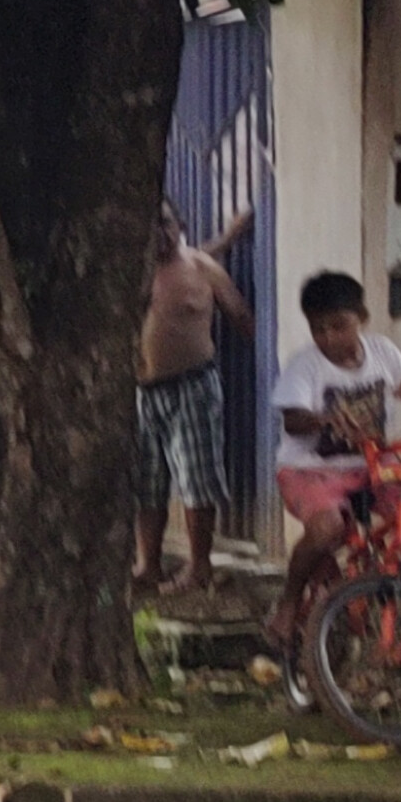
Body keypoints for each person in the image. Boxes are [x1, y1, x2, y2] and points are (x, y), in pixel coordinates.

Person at [267, 269, 401, 658]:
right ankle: (288, 602)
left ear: (362, 317)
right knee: (326, 529)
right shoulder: (305, 365)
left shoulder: (384, 353)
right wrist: (324, 420)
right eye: (318, 329)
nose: (328, 338)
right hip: (309, 471)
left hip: (372, 467)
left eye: (339, 326)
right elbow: (292, 419)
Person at [133, 199, 253, 599]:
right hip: (140, 393)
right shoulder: (127, 274)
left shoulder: (200, 266)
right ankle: (147, 565)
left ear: (178, 224)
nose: (159, 233)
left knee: (197, 479)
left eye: (165, 223)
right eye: (150, 225)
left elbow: (241, 316)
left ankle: (199, 566)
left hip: (192, 386)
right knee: (146, 483)